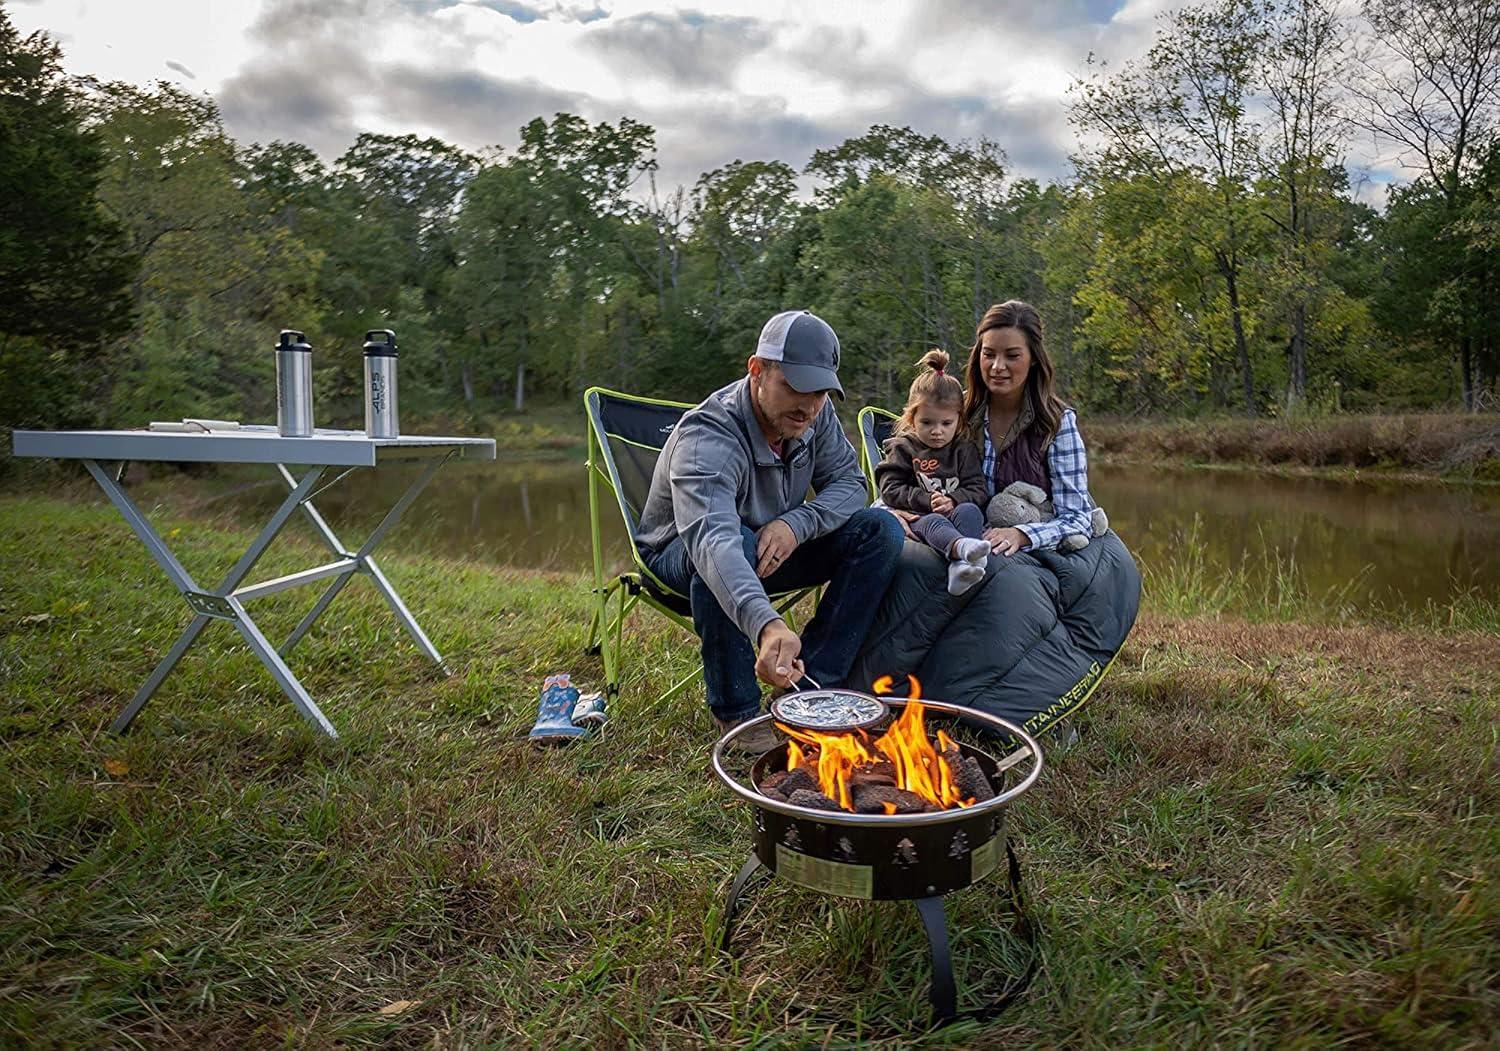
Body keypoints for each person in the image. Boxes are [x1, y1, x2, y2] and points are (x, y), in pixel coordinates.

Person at [635, 309, 906, 752]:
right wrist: (767, 625)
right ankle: (739, 715)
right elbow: (713, 541)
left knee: (879, 530)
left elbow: (852, 485)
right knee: (736, 543)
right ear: (757, 370)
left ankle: (810, 689)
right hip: (682, 552)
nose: (810, 404)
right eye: (795, 387)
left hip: (769, 544)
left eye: (821, 391)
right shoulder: (708, 435)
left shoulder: (815, 416)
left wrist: (796, 524)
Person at [962, 300, 1100, 557]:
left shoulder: (1057, 422)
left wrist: (1023, 535)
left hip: (1025, 560)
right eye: (989, 354)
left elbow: (1077, 518)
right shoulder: (955, 412)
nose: (997, 367)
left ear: (1034, 358)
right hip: (960, 546)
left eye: (1012, 356)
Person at [873, 349, 990, 595]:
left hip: (955, 515)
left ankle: (964, 565)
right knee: (934, 520)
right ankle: (961, 551)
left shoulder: (963, 449)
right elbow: (889, 488)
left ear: (959, 420)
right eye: (927, 423)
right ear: (911, 417)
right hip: (919, 519)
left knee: (970, 510)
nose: (937, 431)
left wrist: (954, 499)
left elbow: (978, 489)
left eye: (946, 423)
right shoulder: (904, 447)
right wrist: (926, 500)